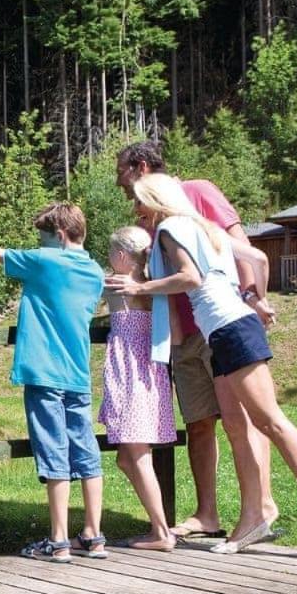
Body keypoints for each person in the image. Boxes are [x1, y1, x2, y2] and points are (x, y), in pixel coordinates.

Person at [108, 173, 297, 560]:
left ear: (154, 200)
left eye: (139, 202)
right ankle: (253, 517)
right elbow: (259, 258)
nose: (136, 210)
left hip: (230, 328)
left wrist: (138, 288)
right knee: (238, 425)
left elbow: (189, 277)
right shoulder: (204, 225)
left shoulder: (169, 227)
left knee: (270, 421)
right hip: (226, 328)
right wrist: (255, 298)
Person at [115, 142, 279, 550]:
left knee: (241, 420)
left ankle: (261, 508)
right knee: (200, 423)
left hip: (219, 326)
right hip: (184, 335)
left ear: (139, 166)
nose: (122, 188)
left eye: (122, 175)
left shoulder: (198, 192)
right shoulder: (153, 216)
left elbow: (243, 247)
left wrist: (253, 297)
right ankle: (208, 514)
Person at [0, 203, 106, 563]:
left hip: (45, 374)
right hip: (78, 376)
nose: (37, 246)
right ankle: (94, 536)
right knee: (86, 451)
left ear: (59, 237)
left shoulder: (45, 262)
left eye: (42, 239)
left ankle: (59, 541)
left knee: (54, 452)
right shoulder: (94, 271)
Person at [99, 227, 177, 550]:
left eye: (109, 253)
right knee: (125, 459)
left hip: (130, 371)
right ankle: (159, 529)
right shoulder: (150, 285)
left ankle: (161, 533)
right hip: (148, 369)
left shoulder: (116, 282)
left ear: (120, 257)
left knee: (139, 454)